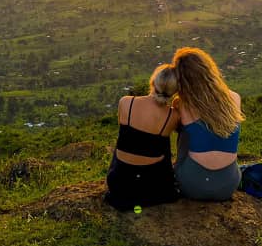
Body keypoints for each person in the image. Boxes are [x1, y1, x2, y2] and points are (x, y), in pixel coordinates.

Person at [104, 64, 180, 211]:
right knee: (162, 141)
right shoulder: (173, 116)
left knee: (128, 137)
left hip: (120, 184)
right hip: (153, 188)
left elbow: (127, 136)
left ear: (153, 82)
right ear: (175, 91)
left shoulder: (126, 102)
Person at [172, 47, 244, 201]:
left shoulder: (183, 103)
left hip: (192, 185)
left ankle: (181, 166)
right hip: (228, 184)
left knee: (186, 131)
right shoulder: (235, 98)